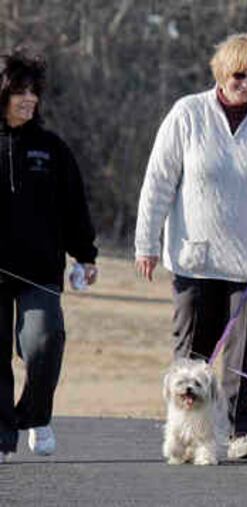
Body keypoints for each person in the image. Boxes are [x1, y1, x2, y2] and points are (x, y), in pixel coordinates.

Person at [134, 33, 247, 460]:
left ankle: (243, 431)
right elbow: (158, 182)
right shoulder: (187, 113)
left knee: (246, 357)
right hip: (196, 257)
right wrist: (145, 242)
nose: (246, 83)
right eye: (238, 74)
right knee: (191, 358)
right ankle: (185, 434)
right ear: (221, 72)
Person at [0, 49, 98, 463]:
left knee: (43, 342)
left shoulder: (50, 147)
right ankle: (3, 438)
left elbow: (74, 204)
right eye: (18, 91)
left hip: (39, 269)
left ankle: (36, 416)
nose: (28, 99)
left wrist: (86, 254)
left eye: (33, 92)